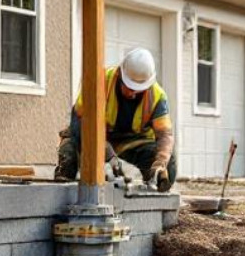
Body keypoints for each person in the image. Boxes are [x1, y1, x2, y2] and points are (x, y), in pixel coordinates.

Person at [55, 47, 176, 191]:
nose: (133, 93)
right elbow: (79, 121)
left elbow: (165, 135)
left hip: (133, 143)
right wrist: (107, 154)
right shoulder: (100, 81)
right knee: (68, 154)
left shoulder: (157, 96)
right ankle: (64, 191)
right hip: (96, 136)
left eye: (139, 89)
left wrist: (160, 163)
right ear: (120, 73)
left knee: (167, 169)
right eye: (129, 87)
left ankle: (150, 194)